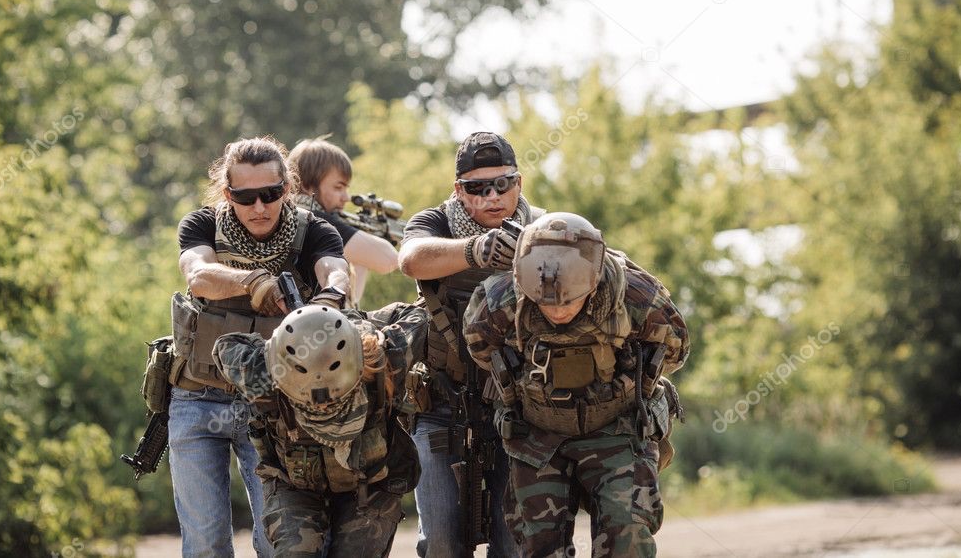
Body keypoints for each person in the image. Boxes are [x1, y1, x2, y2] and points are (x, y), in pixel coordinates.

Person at [463, 212, 690, 558]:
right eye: (546, 302)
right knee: (538, 547)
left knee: (627, 534)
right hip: (537, 434)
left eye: (568, 301)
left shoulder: (635, 296)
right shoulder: (500, 301)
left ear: (593, 280)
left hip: (618, 428)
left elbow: (675, 349)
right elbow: (480, 347)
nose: (557, 311)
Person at [171, 136, 350, 557]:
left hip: (273, 408)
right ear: (226, 193)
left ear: (287, 188)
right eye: (245, 197)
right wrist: (253, 282)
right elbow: (198, 274)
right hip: (198, 399)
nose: (259, 207)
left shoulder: (311, 231)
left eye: (270, 194)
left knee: (276, 544)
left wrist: (330, 296)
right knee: (206, 543)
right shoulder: (201, 225)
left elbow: (335, 269)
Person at [397, 131, 543, 557]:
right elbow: (411, 259)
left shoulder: (541, 228)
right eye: (478, 188)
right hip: (442, 404)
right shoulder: (436, 223)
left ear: (519, 183)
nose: (492, 196)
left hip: (518, 407)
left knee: (513, 541)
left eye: (503, 184)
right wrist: (477, 250)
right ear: (459, 191)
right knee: (442, 541)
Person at [212, 302, 428, 557]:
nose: (324, 405)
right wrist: (274, 351)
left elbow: (417, 315)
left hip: (370, 486)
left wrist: (354, 322)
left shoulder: (388, 354)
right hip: (295, 487)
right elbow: (225, 346)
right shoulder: (264, 372)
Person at [288, 138, 399, 305]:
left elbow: (352, 299)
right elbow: (389, 260)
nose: (346, 197)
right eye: (338, 187)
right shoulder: (315, 218)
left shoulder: (290, 214)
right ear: (308, 186)